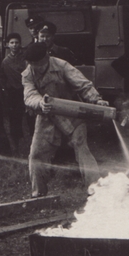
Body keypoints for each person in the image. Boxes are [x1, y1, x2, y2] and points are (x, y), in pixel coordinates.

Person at [22, 42, 108, 198]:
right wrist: (40, 103)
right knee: (36, 155)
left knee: (82, 150)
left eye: (39, 63)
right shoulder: (28, 74)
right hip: (47, 117)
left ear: (46, 57)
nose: (36, 67)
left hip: (72, 114)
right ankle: (38, 195)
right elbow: (29, 95)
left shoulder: (62, 66)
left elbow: (83, 85)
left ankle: (96, 191)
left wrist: (96, 100)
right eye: (32, 64)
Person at [2, 32, 34, 154]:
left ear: (20, 44)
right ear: (7, 45)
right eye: (12, 43)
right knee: (14, 119)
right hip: (13, 94)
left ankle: (33, 143)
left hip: (26, 90)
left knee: (31, 117)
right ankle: (16, 145)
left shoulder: (26, 59)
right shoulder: (5, 62)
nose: (14, 45)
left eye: (16, 42)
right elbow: (4, 78)